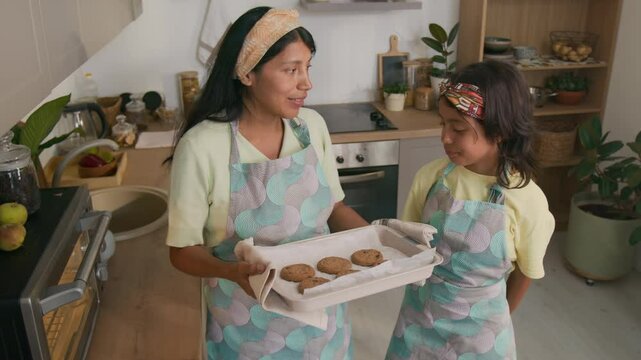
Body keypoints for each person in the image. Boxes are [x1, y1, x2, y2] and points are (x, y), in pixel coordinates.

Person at [165, 6, 368, 359]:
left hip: (323, 320)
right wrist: (230, 271)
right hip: (246, 327)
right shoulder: (202, 147)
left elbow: (334, 207)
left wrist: (383, 243)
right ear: (247, 74)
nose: (307, 83)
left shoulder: (311, 127)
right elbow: (182, 251)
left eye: (307, 67)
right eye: (291, 70)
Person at [386, 60, 555, 359]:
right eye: (443, 123)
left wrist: (490, 320)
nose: (445, 137)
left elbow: (526, 273)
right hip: (419, 317)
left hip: (480, 334)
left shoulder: (526, 199)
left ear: (500, 130)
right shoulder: (431, 177)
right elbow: (407, 243)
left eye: (459, 128)